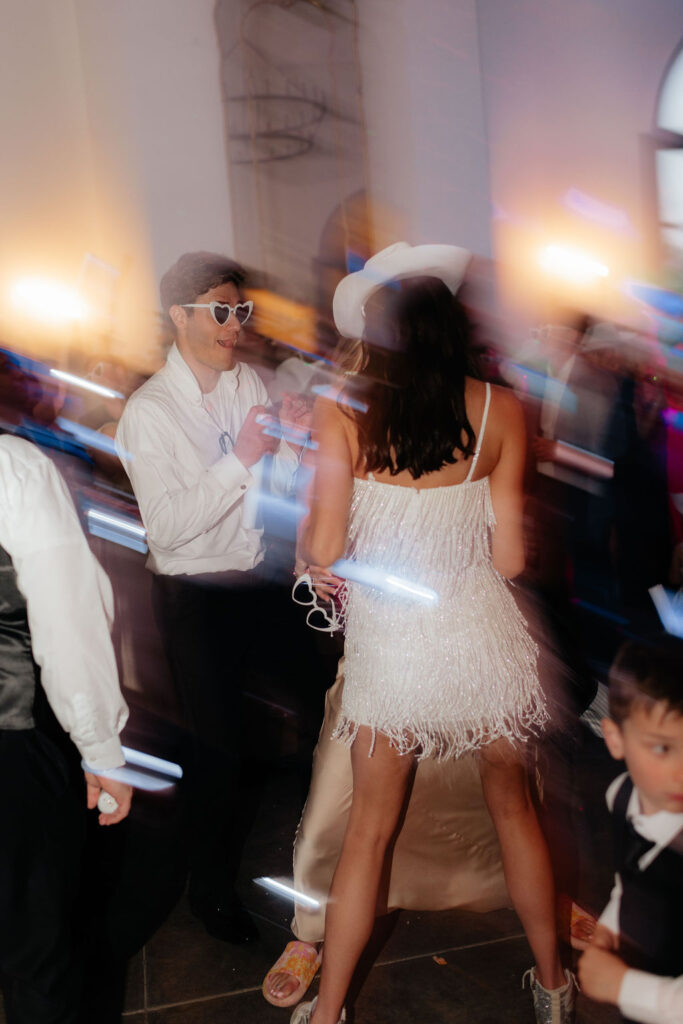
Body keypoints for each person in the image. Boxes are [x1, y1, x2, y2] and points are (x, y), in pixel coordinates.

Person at [291, 242, 575, 1024]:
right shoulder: (503, 407)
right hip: (482, 637)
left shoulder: (342, 408)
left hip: (394, 648)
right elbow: (512, 558)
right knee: (515, 811)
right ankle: (552, 985)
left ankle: (329, 1014)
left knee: (368, 835)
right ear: (454, 330)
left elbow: (322, 547)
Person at [115, 251, 313, 943]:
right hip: (193, 596)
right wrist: (246, 457)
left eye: (241, 312)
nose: (236, 327)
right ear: (182, 315)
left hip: (257, 581)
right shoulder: (149, 412)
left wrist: (289, 443)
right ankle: (209, 892)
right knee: (219, 754)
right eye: (223, 312)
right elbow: (166, 525)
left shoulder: (248, 384)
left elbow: (275, 490)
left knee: (307, 712)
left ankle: (315, 866)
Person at [262, 661, 508, 1006]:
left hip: (459, 658)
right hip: (371, 657)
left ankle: (527, 888)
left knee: (479, 792)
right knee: (329, 813)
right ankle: (312, 933)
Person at [0, 433, 131, 1023]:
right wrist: (101, 748)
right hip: (12, 743)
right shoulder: (13, 466)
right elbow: (67, 620)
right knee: (35, 950)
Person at [578, 637, 683, 1023]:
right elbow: (630, 880)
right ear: (615, 739)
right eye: (662, 748)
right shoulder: (621, 796)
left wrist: (623, 986)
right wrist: (608, 928)